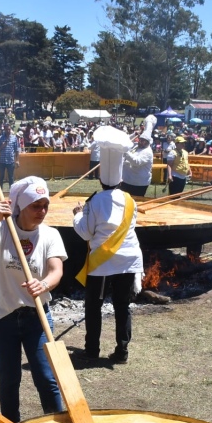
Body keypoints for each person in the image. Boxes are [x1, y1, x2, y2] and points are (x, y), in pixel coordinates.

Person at [0, 176, 65, 423]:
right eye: (36, 205)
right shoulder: (3, 229)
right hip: (2, 317)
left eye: (45, 205)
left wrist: (42, 283)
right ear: (22, 206)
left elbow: (56, 270)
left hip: (38, 318)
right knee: (9, 379)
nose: (42, 211)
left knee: (46, 377)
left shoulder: (50, 234)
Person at [73, 126, 142, 363]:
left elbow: (85, 233)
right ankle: (122, 352)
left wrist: (78, 214)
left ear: (101, 179)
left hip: (103, 261)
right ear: (121, 179)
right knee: (123, 306)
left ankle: (92, 350)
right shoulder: (130, 200)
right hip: (129, 259)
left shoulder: (95, 200)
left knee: (94, 306)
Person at [120, 127, 154, 198]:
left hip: (138, 183)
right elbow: (125, 141)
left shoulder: (147, 152)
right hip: (127, 180)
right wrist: (134, 134)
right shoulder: (137, 147)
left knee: (135, 202)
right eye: (140, 140)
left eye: (143, 141)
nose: (140, 142)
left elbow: (136, 162)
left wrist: (125, 151)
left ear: (148, 142)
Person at [0, 123, 21, 188]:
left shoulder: (14, 138)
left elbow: (17, 150)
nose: (8, 131)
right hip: (2, 161)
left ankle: (12, 193)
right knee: (1, 177)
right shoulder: (0, 138)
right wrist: (3, 145)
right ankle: (0, 192)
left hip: (10, 161)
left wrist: (17, 160)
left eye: (9, 129)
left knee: (11, 177)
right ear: (4, 129)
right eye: (7, 129)